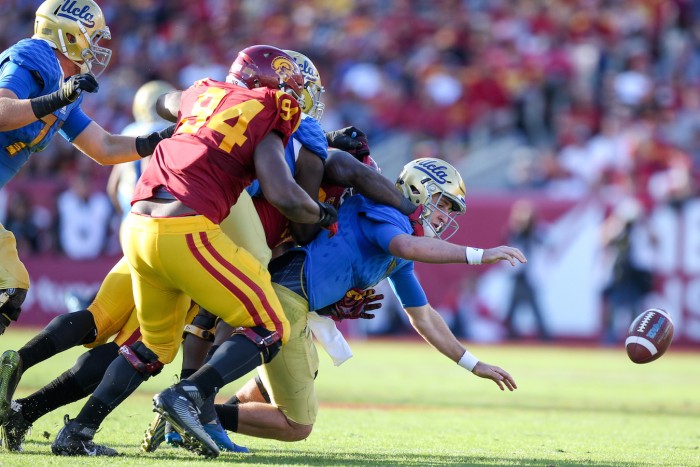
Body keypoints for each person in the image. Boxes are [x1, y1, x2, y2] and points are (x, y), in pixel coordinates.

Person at [45, 44, 338, 458]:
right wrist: (322, 212)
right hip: (185, 230)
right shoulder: (268, 109)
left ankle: (77, 430)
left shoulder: (204, 92)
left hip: (137, 228)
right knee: (269, 325)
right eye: (295, 87)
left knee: (151, 347)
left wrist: (195, 110)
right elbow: (282, 194)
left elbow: (167, 102)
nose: (300, 99)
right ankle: (190, 394)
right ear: (270, 85)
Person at [153, 157, 522, 450]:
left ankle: (198, 414)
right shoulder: (388, 213)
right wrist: (480, 254)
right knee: (297, 426)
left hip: (295, 300)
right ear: (418, 189)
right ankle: (196, 410)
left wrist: (473, 364)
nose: (445, 217)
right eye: (443, 204)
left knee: (306, 367)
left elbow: (423, 316)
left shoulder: (406, 236)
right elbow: (404, 246)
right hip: (288, 293)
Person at [0, 0, 174, 339]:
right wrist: (58, 98)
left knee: (9, 289)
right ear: (68, 34)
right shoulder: (34, 57)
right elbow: (2, 110)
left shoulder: (63, 85)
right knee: (8, 285)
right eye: (92, 37)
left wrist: (160, 139)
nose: (96, 47)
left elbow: (104, 147)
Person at [502, 199, 550, 340]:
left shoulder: (537, 231)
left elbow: (544, 242)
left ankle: (546, 337)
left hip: (530, 276)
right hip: (518, 275)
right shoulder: (514, 231)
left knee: (536, 309)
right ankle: (511, 336)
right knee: (512, 309)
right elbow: (509, 239)